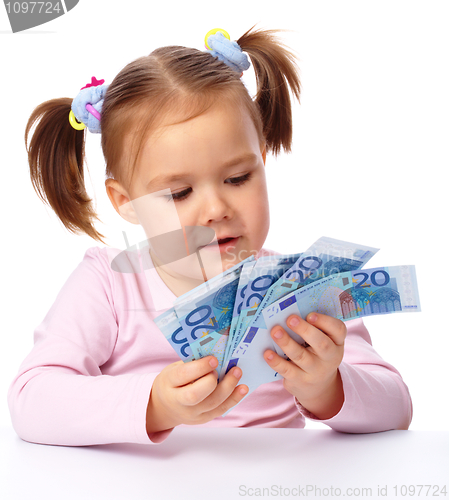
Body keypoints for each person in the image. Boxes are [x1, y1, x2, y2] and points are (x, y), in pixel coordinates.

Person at [8, 27, 412, 446]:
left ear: (262, 162)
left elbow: (398, 407)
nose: (217, 209)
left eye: (238, 178)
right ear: (126, 201)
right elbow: (30, 400)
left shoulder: (302, 290)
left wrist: (326, 387)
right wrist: (154, 404)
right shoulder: (109, 285)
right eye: (179, 192)